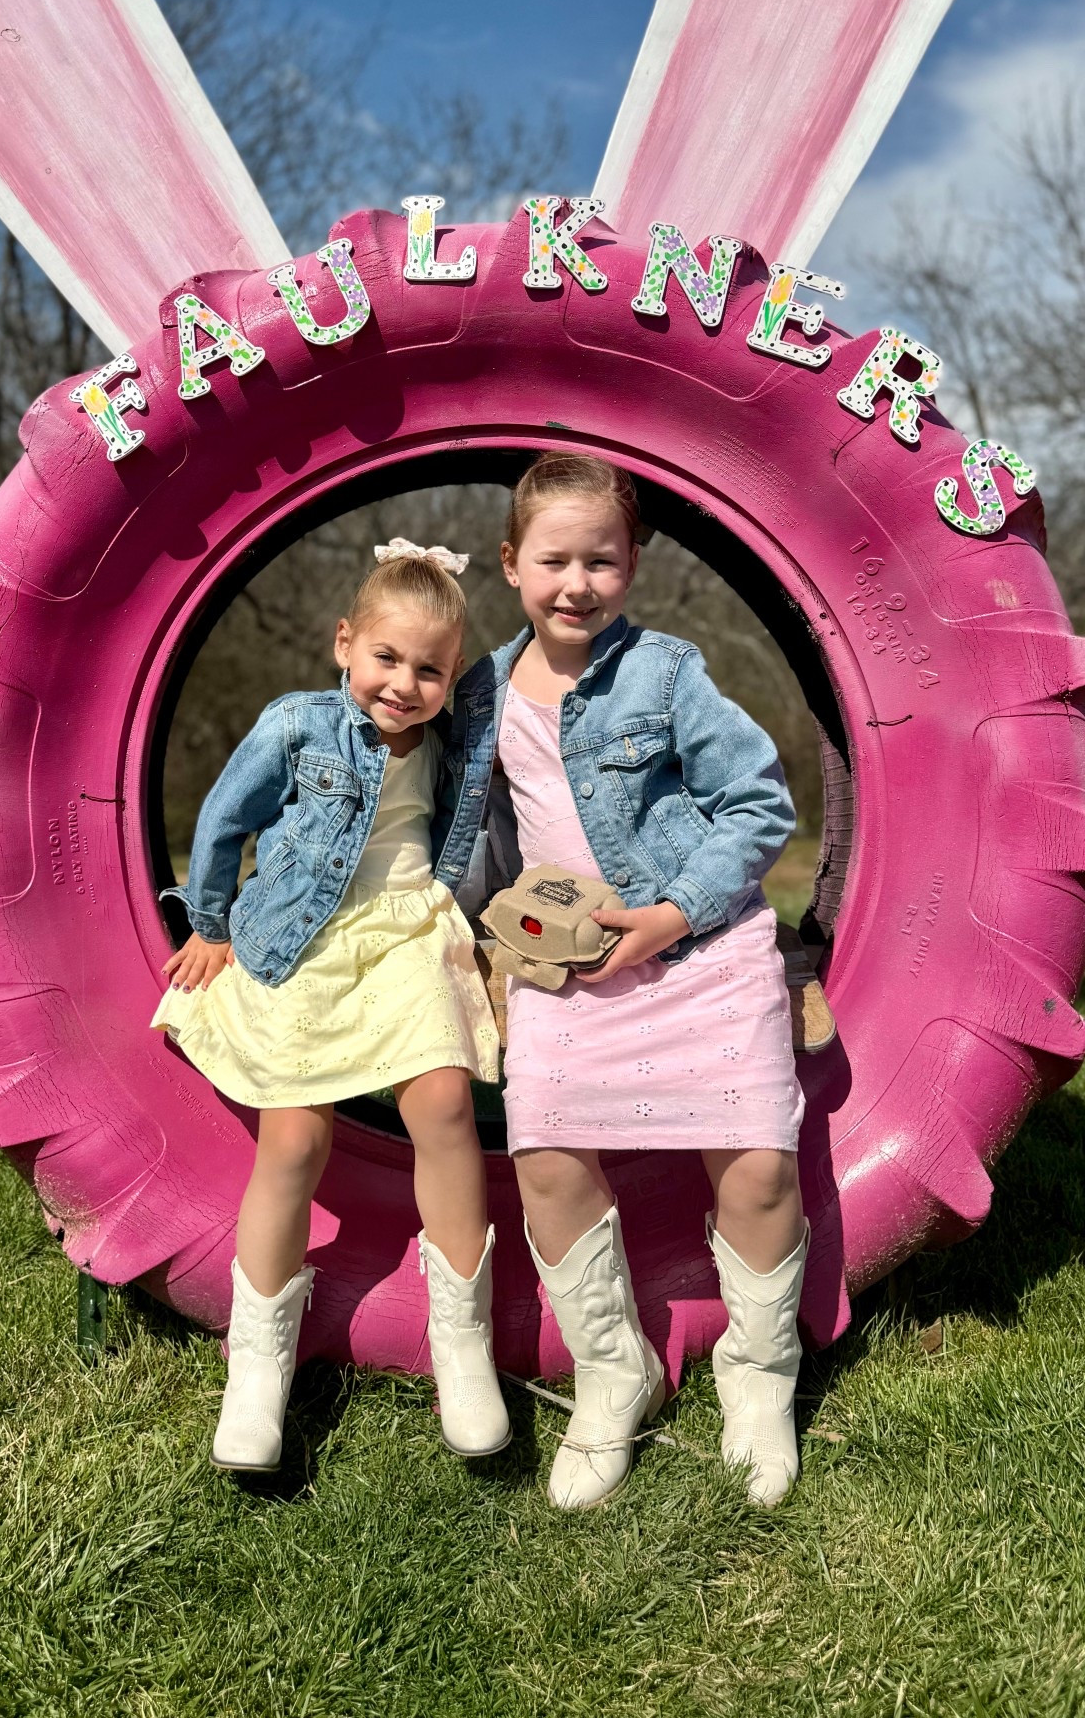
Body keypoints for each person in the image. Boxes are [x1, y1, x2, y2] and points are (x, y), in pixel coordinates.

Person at [445, 455, 806, 1511]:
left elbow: (757, 803)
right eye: (553, 558)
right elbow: (429, 803)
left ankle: (758, 1373)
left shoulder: (668, 674)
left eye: (600, 559)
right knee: (546, 1154)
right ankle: (615, 1370)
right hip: (569, 963)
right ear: (511, 564)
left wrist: (668, 915)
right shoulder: (479, 694)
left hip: (695, 943)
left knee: (755, 1164)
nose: (577, 582)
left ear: (632, 565)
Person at [155, 541, 508, 1472]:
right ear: (343, 643)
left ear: (452, 678)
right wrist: (213, 923)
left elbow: (531, 678)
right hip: (302, 937)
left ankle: (460, 1343)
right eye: (386, 658)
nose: (404, 684)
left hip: (405, 932)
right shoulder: (296, 726)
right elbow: (226, 819)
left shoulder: (453, 742)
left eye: (430, 669)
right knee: (296, 1139)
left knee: (441, 1102)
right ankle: (257, 1367)